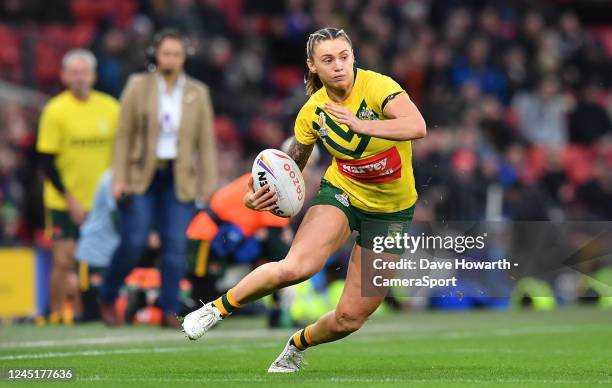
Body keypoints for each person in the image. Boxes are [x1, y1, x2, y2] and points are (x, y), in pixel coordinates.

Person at [181, 27, 426, 372]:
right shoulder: (312, 112)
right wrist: (258, 199)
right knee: (297, 266)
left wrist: (363, 125)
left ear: (353, 56)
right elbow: (290, 169)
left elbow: (417, 125)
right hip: (342, 194)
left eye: (344, 56)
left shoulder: (379, 87)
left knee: (350, 318)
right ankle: (215, 309)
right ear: (312, 65)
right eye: (328, 59)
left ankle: (296, 345)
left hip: (392, 213)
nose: (339, 65)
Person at [99, 29, 218, 328]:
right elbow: (123, 134)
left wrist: (208, 185)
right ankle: (108, 295)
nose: (171, 59)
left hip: (178, 177)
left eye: (177, 54)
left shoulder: (197, 92)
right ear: (155, 55)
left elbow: (206, 142)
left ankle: (167, 308)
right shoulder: (139, 86)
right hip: (142, 175)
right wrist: (119, 177)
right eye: (166, 53)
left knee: (175, 245)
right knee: (134, 241)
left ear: (184, 58)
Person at [36, 49, 119, 324]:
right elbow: (46, 161)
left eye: (84, 72)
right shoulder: (55, 110)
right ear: (64, 76)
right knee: (64, 259)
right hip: (63, 200)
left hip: (102, 201)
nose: (80, 77)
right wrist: (69, 198)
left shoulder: (110, 108)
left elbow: (121, 152)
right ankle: (55, 313)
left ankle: (91, 312)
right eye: (74, 72)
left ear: (94, 76)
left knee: (98, 259)